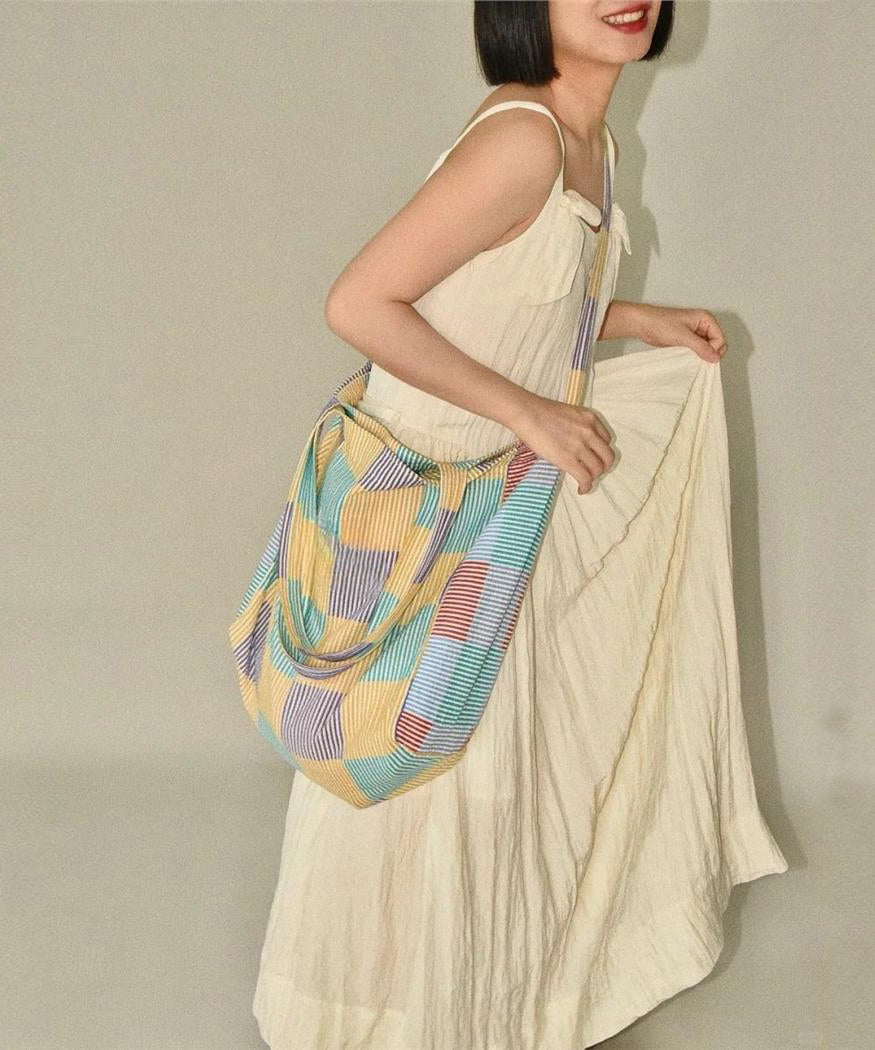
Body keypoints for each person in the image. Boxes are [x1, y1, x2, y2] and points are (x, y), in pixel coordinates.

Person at [250, 2, 789, 1047]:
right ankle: (381, 1020)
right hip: (422, 498)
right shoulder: (523, 140)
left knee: (473, 758)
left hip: (490, 493)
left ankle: (471, 1002)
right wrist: (530, 413)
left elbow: (497, 297)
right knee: (414, 756)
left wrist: (626, 320)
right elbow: (359, 304)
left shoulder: (593, 141)